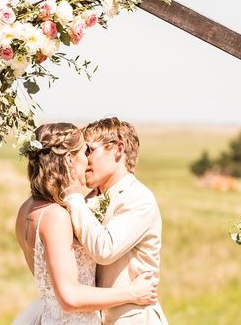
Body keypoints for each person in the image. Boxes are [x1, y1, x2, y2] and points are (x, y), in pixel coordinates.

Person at [13, 123, 158, 325]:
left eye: (91, 151)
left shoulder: (27, 209)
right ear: (70, 159)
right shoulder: (56, 215)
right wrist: (131, 293)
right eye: (85, 151)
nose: (87, 158)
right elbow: (70, 295)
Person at [64, 118, 168, 325]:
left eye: (89, 151)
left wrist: (73, 196)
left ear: (117, 150)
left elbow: (104, 249)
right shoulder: (88, 201)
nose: (83, 160)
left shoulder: (139, 198)